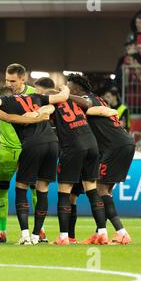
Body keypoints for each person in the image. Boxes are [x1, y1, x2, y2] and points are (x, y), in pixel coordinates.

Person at [0, 80, 69, 245]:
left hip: (32, 144)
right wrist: (65, 88)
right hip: (52, 142)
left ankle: (26, 236)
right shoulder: (35, 97)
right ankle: (37, 236)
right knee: (42, 189)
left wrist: (32, 118)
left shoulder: (6, 105)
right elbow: (61, 98)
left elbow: (8, 117)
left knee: (21, 188)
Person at [38, 77, 108, 245]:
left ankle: (63, 237)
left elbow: (44, 117)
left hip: (73, 147)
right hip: (91, 144)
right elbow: (88, 105)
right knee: (92, 191)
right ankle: (103, 233)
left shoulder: (52, 104)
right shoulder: (76, 103)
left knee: (64, 192)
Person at [69, 75, 135, 245]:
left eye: (69, 88)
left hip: (115, 146)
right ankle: (100, 232)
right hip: (123, 143)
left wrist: (65, 95)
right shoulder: (97, 100)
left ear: (76, 89)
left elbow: (86, 104)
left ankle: (121, 232)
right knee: (106, 191)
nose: (67, 90)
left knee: (100, 189)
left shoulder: (87, 99)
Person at [0, 64, 44, 243]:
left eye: (12, 81)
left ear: (23, 79)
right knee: (3, 188)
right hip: (5, 149)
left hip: (29, 148)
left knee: (35, 189)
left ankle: (40, 230)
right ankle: (2, 231)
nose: (9, 83)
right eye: (7, 80)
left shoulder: (34, 93)